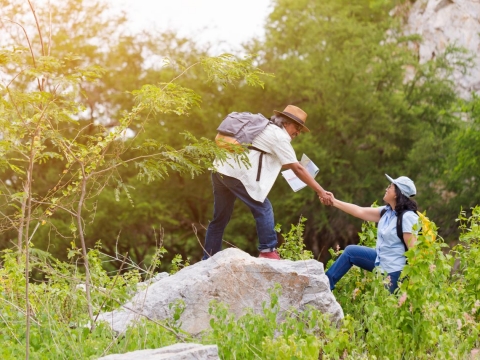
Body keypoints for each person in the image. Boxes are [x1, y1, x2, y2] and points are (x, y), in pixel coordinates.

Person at [203, 105, 332, 260]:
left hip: (220, 171)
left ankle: (209, 257)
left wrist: (300, 168)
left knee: (220, 218)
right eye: (297, 127)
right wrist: (320, 191)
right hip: (237, 175)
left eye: (300, 129)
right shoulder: (279, 136)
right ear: (286, 123)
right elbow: (297, 168)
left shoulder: (266, 128)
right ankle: (268, 251)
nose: (298, 132)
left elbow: (280, 161)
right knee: (264, 208)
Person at [321, 174, 419, 293]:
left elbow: (414, 255)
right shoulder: (387, 211)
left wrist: (408, 290)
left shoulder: (407, 217)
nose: (386, 189)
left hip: (394, 271)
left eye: (390, 187)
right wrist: (333, 201)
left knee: (385, 307)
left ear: (397, 193)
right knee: (351, 252)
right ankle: (324, 286)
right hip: (381, 260)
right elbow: (359, 211)